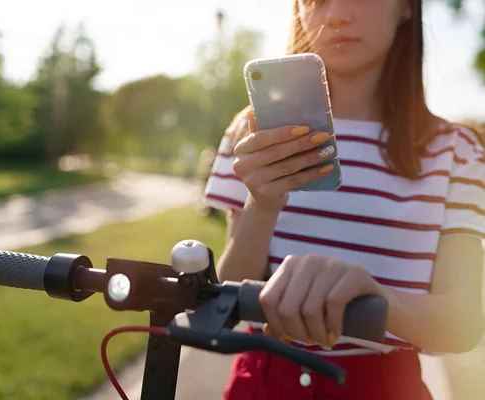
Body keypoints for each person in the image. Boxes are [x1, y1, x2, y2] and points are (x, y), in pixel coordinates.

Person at [202, 0, 485, 399]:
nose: (335, 15)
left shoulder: (458, 153)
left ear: (406, 7)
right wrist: (262, 206)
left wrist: (376, 298)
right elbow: (226, 294)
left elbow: (463, 323)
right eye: (315, 0)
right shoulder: (251, 134)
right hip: (263, 383)